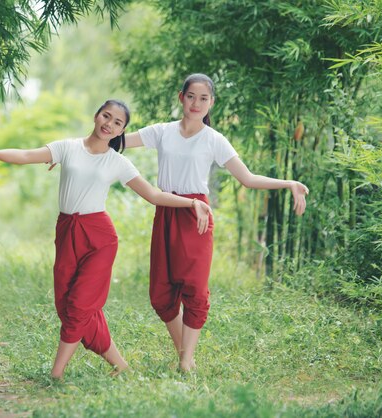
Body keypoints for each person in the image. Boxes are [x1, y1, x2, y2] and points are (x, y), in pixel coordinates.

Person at [0, 99, 214, 379]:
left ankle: (56, 374)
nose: (109, 124)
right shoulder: (67, 147)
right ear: (96, 115)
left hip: (99, 239)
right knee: (67, 304)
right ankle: (120, 365)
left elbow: (154, 195)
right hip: (67, 232)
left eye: (117, 122)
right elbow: (27, 155)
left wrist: (191, 203)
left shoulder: (117, 162)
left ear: (122, 131)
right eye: (106, 116)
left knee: (80, 304)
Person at [122, 73, 309, 372]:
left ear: (212, 102)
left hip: (198, 215)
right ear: (181, 97)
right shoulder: (162, 132)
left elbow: (247, 178)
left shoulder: (214, 140)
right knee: (161, 292)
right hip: (167, 210)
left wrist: (289, 183)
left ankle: (186, 359)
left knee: (194, 288)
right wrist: (67, 150)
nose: (197, 103)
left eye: (204, 98)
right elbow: (114, 141)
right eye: (191, 96)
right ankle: (184, 352)